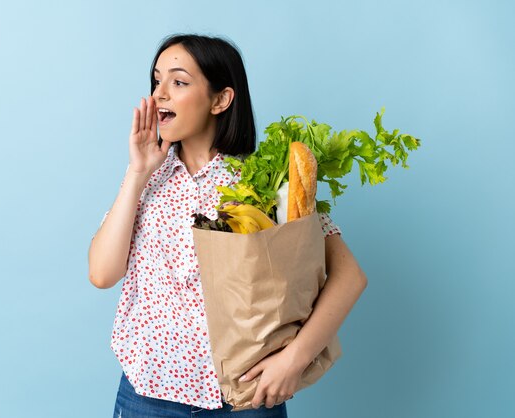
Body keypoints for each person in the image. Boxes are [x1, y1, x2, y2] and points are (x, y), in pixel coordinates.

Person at [88, 34, 368, 418]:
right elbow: (102, 274)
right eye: (157, 81)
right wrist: (137, 174)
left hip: (243, 401)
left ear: (221, 99)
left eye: (179, 82)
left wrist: (294, 360)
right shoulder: (146, 178)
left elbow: (349, 276)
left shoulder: (261, 180)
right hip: (146, 396)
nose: (159, 95)